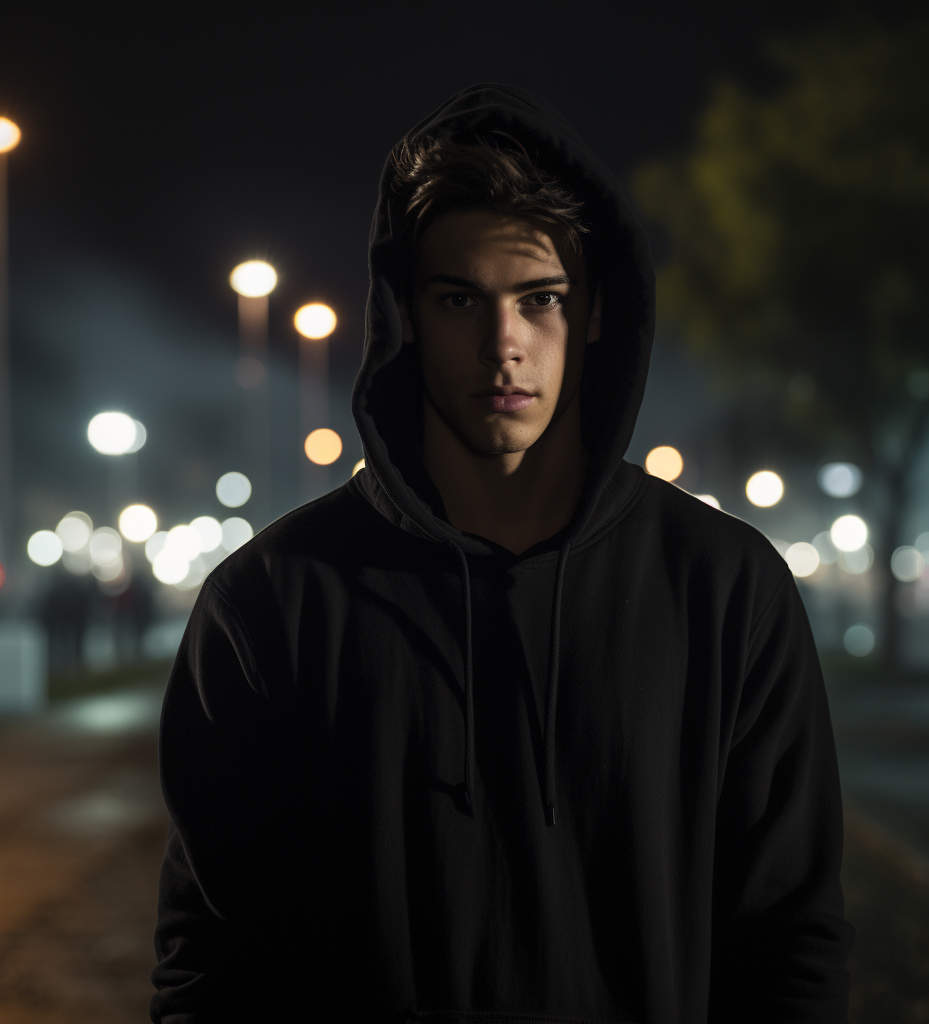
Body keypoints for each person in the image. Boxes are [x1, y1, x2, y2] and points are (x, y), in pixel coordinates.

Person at [151, 83, 855, 1024]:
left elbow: (791, 941)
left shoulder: (724, 587)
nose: (503, 345)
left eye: (541, 299)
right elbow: (213, 956)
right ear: (406, 316)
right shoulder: (274, 601)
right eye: (458, 301)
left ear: (596, 311)